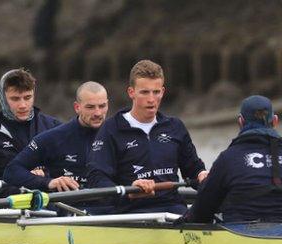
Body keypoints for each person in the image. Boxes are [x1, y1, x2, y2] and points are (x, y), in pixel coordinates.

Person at [87, 59, 207, 214]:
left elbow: (193, 169)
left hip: (172, 209)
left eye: (156, 92)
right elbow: (96, 178)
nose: (151, 99)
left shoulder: (175, 127)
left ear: (162, 92)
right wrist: (130, 191)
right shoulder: (111, 129)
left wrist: (202, 174)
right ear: (131, 92)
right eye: (144, 92)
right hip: (130, 212)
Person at [182, 95, 282, 223]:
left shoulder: (227, 159)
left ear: (241, 122)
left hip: (239, 234)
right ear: (275, 121)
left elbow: (201, 213)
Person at [0, 68, 61, 198]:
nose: (23, 105)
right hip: (9, 209)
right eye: (15, 99)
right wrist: (27, 182)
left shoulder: (54, 127)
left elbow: (69, 171)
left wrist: (45, 177)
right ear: (3, 98)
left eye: (27, 97)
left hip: (53, 205)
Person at [4, 81, 108, 193]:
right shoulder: (55, 138)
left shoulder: (116, 135)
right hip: (69, 207)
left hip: (114, 208)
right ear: (77, 107)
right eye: (90, 107)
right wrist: (48, 182)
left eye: (102, 106)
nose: (98, 113)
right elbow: (11, 171)